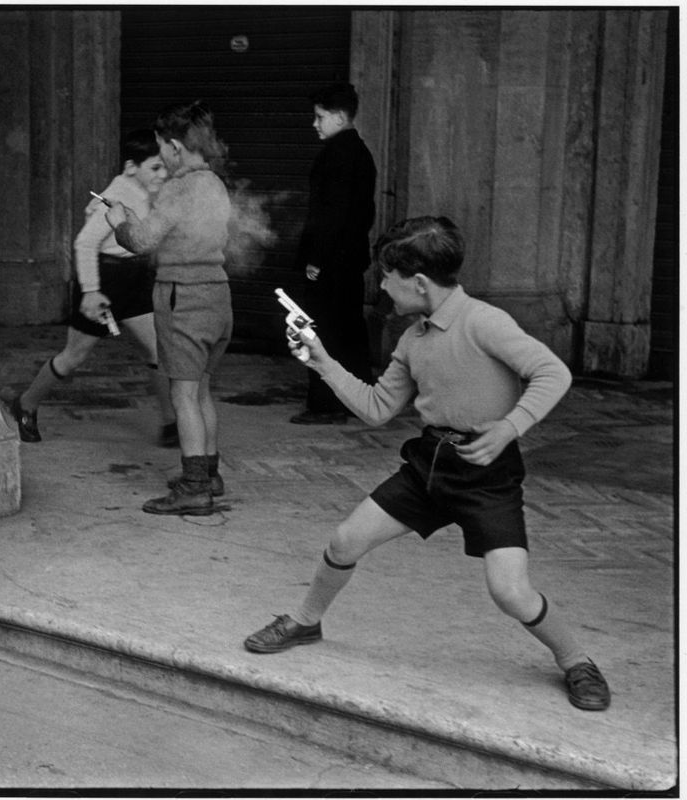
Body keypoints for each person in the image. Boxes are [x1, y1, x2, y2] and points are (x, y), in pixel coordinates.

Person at [243, 216, 611, 712]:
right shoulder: (412, 340)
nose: (383, 289)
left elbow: (552, 371)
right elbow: (376, 408)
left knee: (510, 592)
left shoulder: (485, 321)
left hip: (488, 476)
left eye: (387, 279)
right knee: (344, 540)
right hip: (429, 465)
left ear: (417, 282)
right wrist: (322, 362)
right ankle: (307, 621)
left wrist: (508, 427)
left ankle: (577, 661)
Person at [10, 129, 175, 445]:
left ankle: (172, 423)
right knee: (74, 356)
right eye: (155, 167)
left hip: (134, 279)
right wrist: (91, 291)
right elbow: (84, 243)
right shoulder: (116, 197)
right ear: (131, 168)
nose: (163, 174)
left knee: (158, 350)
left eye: (165, 166)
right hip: (104, 280)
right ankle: (25, 405)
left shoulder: (147, 193)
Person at [106, 102, 232, 516]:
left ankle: (195, 488)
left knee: (182, 394)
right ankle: (209, 473)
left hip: (184, 297)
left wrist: (119, 220)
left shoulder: (180, 187)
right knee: (202, 389)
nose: (160, 158)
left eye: (162, 149)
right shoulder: (214, 182)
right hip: (217, 294)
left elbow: (142, 241)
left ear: (176, 147)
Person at [291, 82, 377, 425]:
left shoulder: (337, 154)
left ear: (340, 117)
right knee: (349, 330)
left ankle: (326, 404)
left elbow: (331, 214)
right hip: (349, 259)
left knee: (323, 331)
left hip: (332, 262)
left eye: (320, 116)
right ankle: (356, 399)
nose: (315, 124)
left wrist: (317, 258)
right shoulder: (359, 151)